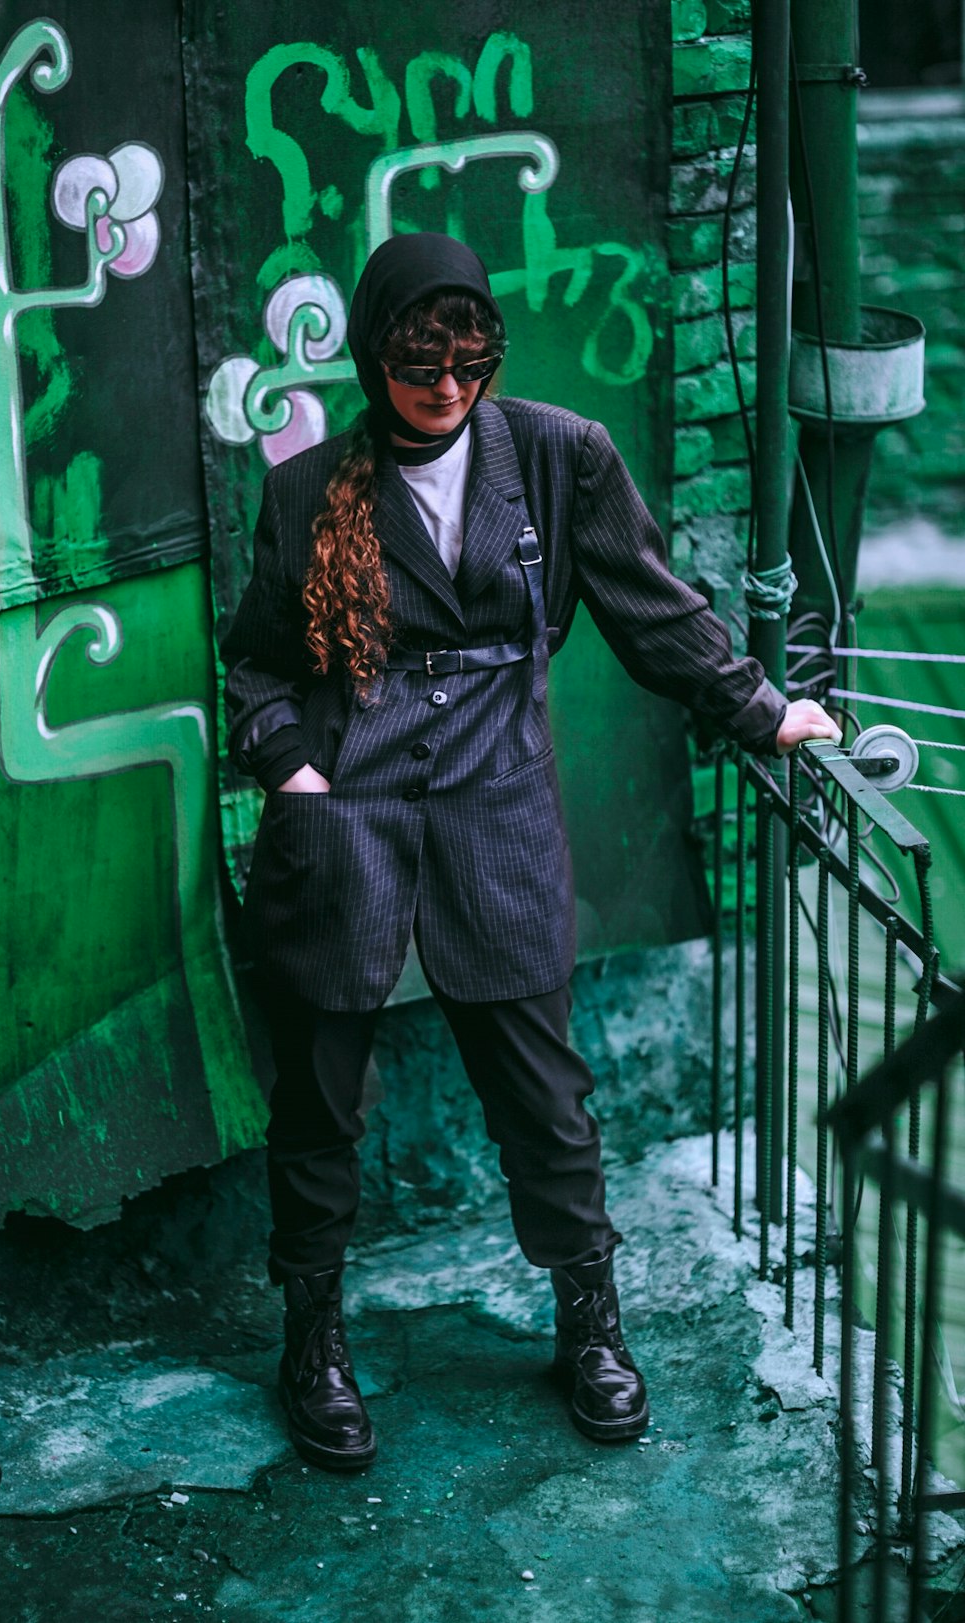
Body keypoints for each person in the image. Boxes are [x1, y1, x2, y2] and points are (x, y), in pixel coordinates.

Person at [221, 232, 839, 1472]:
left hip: (496, 800)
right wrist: (288, 763)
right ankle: (314, 1343)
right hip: (347, 806)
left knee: (545, 1097)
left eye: (467, 365)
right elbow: (256, 663)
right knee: (320, 1097)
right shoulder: (305, 493)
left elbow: (650, 607)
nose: (445, 390)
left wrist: (760, 709)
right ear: (371, 361)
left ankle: (592, 1328)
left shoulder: (559, 456)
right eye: (416, 368)